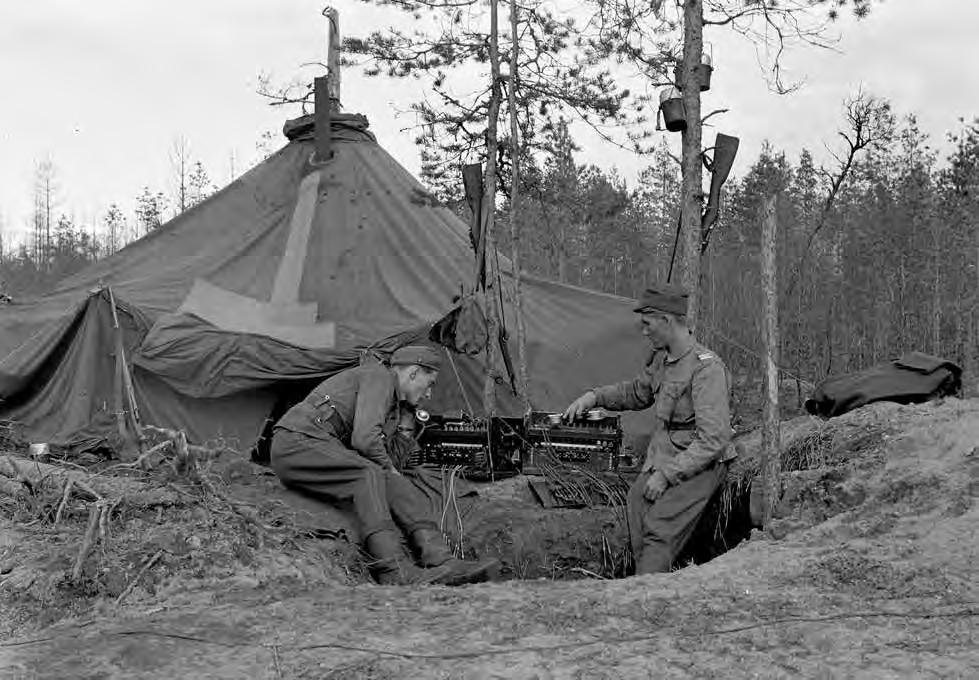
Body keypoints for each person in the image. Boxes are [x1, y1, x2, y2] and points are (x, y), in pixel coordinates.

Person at [270, 345, 498, 586]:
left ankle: (440, 559)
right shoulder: (379, 377)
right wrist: (388, 467)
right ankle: (393, 569)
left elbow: (391, 463)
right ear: (412, 373)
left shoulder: (394, 404)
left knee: (394, 481)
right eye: (429, 383)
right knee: (367, 474)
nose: (429, 394)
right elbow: (365, 440)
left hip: (317, 446)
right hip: (297, 442)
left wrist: (406, 422)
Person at [563, 285, 736, 574]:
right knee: (637, 503)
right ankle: (649, 577)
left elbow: (714, 439)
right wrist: (594, 397)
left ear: (667, 321)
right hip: (665, 452)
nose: (644, 332)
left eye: (647, 324)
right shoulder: (662, 360)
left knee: (660, 525)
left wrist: (667, 475)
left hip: (701, 462)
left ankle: (646, 591)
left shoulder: (707, 369)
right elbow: (637, 393)